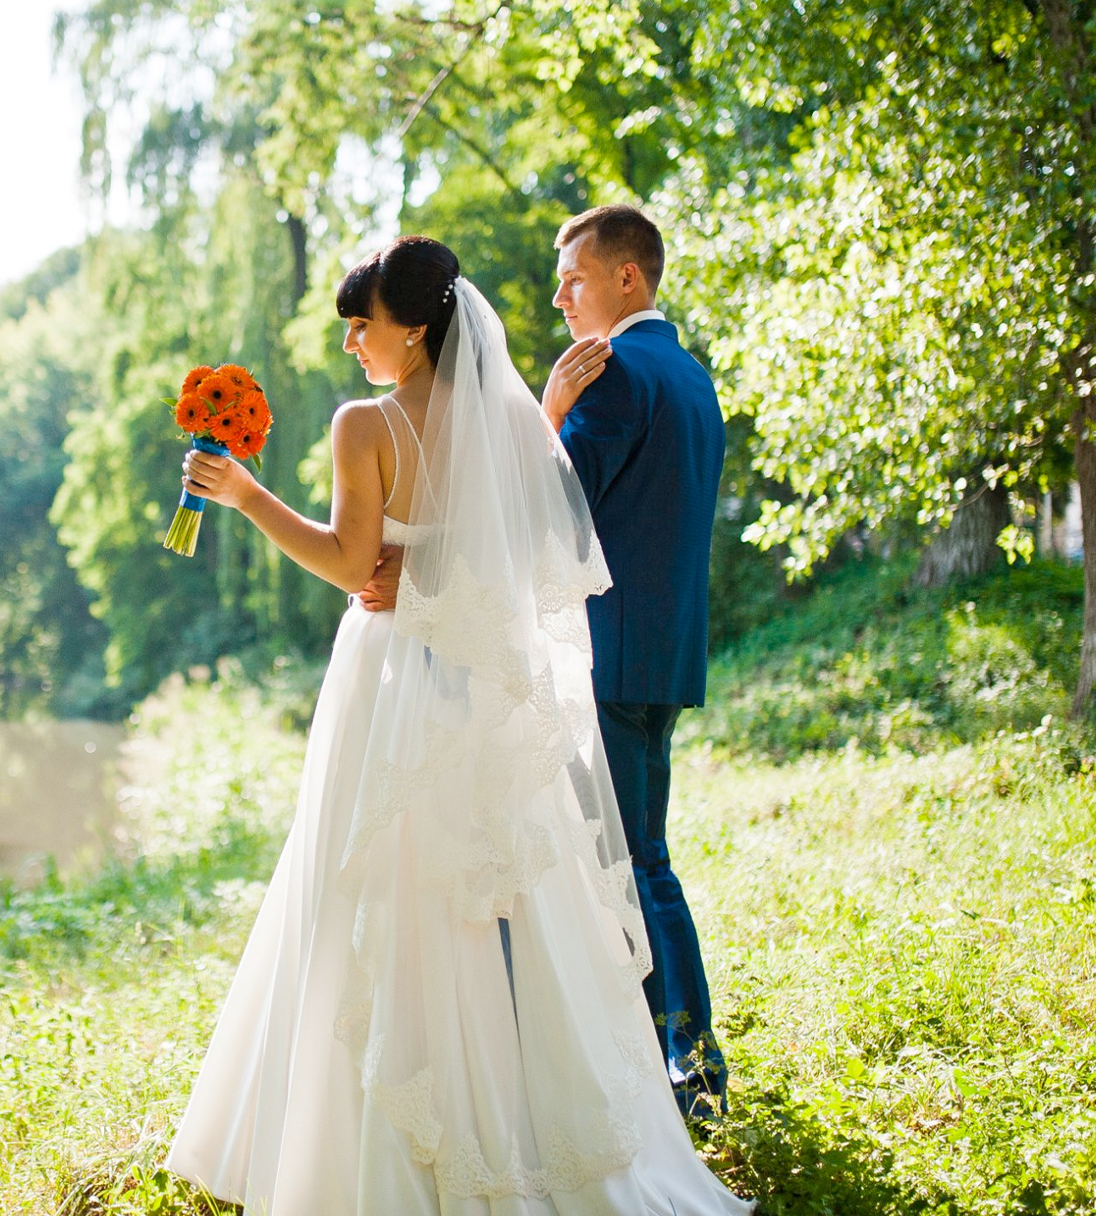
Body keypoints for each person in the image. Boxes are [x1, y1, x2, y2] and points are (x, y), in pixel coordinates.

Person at [164, 235, 751, 1215]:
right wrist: (439, 567)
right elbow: (533, 547)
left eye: (366, 322)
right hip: (479, 688)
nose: (354, 341)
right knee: (490, 901)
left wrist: (246, 494)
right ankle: (516, 1116)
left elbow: (354, 563)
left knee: (382, 892)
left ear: (415, 326)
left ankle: (375, 1149)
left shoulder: (367, 428)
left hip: (392, 681)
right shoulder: (511, 425)